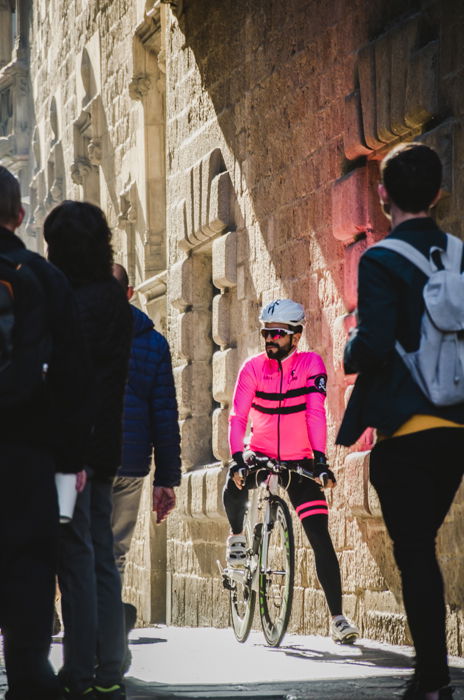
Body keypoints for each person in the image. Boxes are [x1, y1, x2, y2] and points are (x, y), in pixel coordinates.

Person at [337, 143, 464, 700]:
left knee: (414, 550)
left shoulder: (381, 260)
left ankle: (431, 677)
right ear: (439, 193)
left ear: (383, 194)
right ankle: (433, 674)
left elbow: (374, 341)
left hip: (408, 429)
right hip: (458, 427)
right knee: (425, 539)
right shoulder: (460, 255)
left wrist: (347, 354)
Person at [0, 167, 90, 699]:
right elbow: (75, 380)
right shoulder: (43, 277)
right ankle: (29, 678)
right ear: (21, 215)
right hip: (28, 458)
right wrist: (71, 459)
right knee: (30, 569)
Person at [224, 298, 359, 644]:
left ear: (295, 337)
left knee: (319, 534)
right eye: (266, 332)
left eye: (277, 334)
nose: (269, 339)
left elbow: (315, 413)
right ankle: (238, 538)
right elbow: (238, 416)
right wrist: (238, 457)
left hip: (299, 460)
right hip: (263, 452)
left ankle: (338, 618)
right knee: (234, 480)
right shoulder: (252, 369)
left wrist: (319, 461)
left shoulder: (311, 365)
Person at [44, 201, 133, 700]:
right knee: (99, 559)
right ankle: (107, 667)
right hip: (104, 446)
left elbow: (65, 381)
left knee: (74, 557)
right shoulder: (113, 299)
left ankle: (80, 670)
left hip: (70, 448)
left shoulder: (71, 302)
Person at [111, 263, 181, 667]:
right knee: (116, 553)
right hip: (133, 467)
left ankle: (97, 638)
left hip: (89, 463)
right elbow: (164, 415)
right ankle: (110, 635)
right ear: (132, 293)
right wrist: (166, 479)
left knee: (85, 552)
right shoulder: (154, 343)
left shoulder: (80, 334)